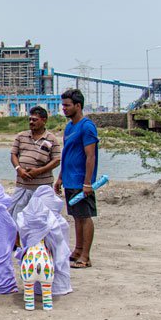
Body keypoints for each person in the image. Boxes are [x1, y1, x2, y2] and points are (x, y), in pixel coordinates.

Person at [54, 88, 99, 268]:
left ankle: (85, 257)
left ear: (78, 106)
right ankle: (78, 250)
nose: (64, 109)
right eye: (63, 105)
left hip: (82, 181)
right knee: (76, 216)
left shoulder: (87, 126)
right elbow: (67, 153)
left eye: (67, 105)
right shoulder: (69, 126)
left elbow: (90, 156)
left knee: (85, 216)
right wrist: (60, 177)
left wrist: (88, 182)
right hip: (69, 179)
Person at [10, 105, 61, 217]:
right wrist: (19, 169)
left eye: (35, 120)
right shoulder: (21, 136)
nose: (31, 122)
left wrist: (39, 171)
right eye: (30, 119)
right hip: (22, 185)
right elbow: (13, 154)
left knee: (40, 218)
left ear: (44, 121)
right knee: (18, 217)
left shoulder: (51, 139)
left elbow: (57, 160)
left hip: (42, 187)